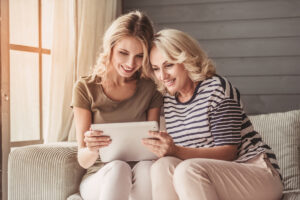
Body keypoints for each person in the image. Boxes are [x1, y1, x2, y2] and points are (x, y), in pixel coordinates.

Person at [142, 29, 283, 200]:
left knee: (188, 170)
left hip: (257, 173)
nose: (162, 76)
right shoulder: (169, 100)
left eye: (168, 65)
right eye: (156, 69)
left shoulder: (217, 90)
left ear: (186, 60)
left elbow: (228, 153)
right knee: (162, 166)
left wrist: (175, 150)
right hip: (214, 176)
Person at [71, 11, 163, 200]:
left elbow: (151, 150)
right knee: (119, 168)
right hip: (100, 177)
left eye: (139, 55)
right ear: (110, 48)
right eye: (123, 53)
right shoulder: (85, 87)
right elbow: (83, 160)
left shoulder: (150, 88)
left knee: (147, 169)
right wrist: (92, 148)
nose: (131, 63)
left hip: (138, 175)